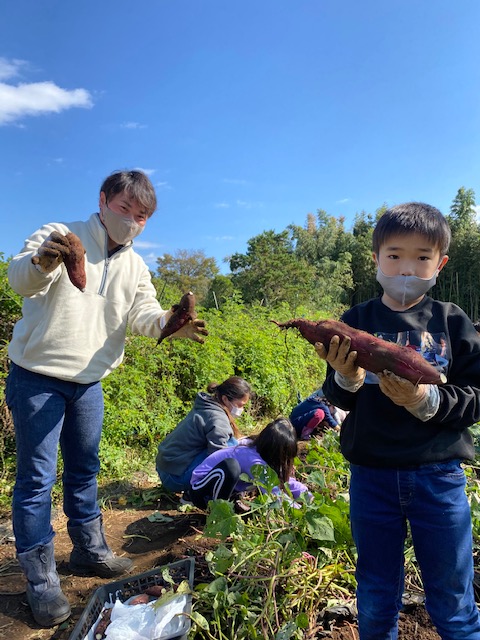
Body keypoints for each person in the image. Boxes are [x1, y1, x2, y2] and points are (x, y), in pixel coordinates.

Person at [5, 170, 208, 628]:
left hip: (89, 382)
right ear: (102, 200)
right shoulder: (61, 234)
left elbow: (143, 316)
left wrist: (172, 323)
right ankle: (41, 583)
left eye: (142, 217)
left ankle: (89, 550)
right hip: (38, 376)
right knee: (37, 479)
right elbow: (20, 281)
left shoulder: (136, 265)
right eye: (124, 210)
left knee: (85, 468)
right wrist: (42, 262)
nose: (132, 222)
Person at [317, 202, 480, 639]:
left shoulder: (453, 322)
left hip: (439, 476)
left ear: (440, 263)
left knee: (452, 599)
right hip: (372, 476)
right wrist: (347, 377)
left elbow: (476, 397)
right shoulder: (354, 321)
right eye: (394, 255)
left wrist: (427, 401)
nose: (407, 267)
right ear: (375, 259)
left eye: (422, 257)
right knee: (374, 595)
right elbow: (335, 399)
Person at [156, 376, 251, 495]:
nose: (241, 410)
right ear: (225, 399)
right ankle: (194, 494)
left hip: (165, 467)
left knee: (232, 444)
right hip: (174, 477)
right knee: (231, 451)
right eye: (240, 405)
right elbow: (221, 460)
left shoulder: (207, 405)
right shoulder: (217, 419)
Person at [189, 417, 310, 508]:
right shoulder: (253, 460)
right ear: (274, 451)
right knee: (231, 467)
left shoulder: (264, 455)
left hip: (222, 488)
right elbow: (274, 493)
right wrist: (298, 510)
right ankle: (215, 510)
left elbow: (288, 482)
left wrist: (308, 497)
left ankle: (226, 503)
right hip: (200, 490)